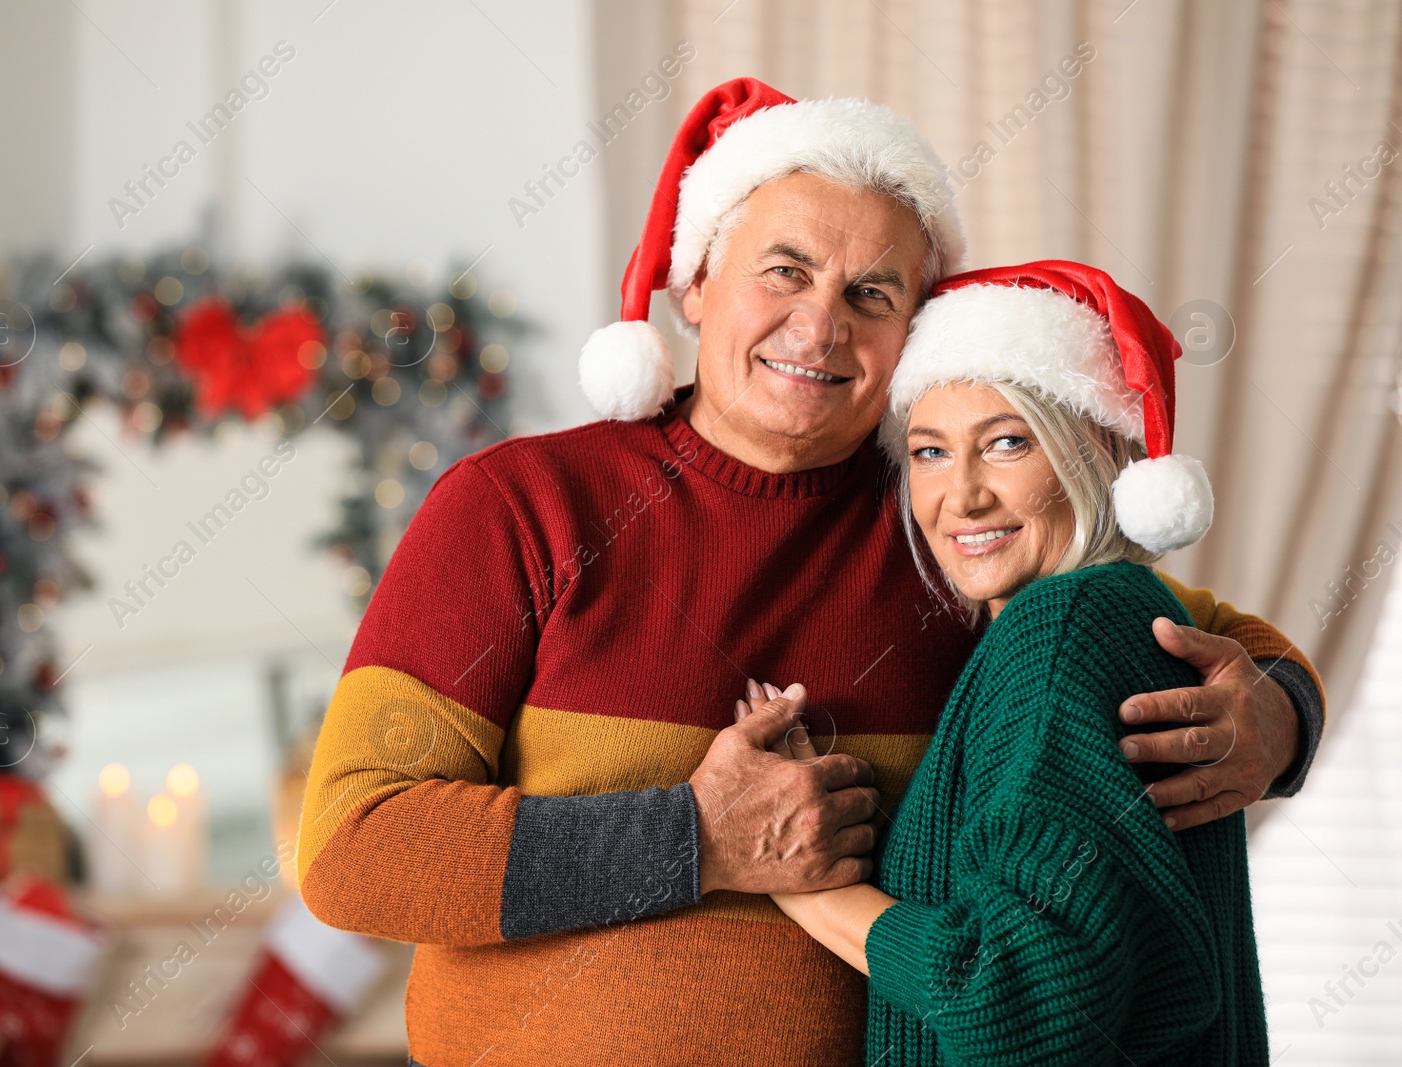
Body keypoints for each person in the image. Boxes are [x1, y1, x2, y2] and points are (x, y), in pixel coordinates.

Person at [296, 79, 1322, 1066]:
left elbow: (1192, 633)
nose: (821, 323)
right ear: (696, 285)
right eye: (782, 271)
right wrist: (693, 836)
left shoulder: (955, 527)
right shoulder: (519, 504)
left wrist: (1274, 720)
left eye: (870, 293)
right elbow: (353, 846)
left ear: (906, 335)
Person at [757, 261, 1268, 1064]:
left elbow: (1021, 995)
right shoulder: (1117, 618)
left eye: (1005, 443)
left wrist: (804, 884)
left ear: (1092, 450)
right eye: (928, 452)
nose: (961, 496)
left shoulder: (1061, 628)